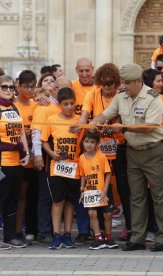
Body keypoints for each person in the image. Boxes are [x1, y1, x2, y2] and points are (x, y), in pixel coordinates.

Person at [91, 63, 163, 252]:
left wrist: (123, 128)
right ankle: (138, 238)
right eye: (122, 83)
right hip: (133, 152)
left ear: (138, 81)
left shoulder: (153, 98)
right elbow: (106, 114)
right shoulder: (121, 97)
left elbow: (151, 126)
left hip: (153, 151)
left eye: (126, 83)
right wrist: (93, 123)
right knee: (136, 196)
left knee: (159, 196)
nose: (123, 87)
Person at [75, 63, 132, 241]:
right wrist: (80, 126)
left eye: (111, 83)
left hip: (119, 148)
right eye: (104, 83)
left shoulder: (122, 97)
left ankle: (129, 227)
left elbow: (124, 123)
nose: (107, 87)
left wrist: (115, 129)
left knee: (124, 189)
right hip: (98, 150)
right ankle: (97, 230)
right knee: (96, 187)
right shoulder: (92, 94)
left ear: (117, 84)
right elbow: (85, 115)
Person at [0, 75, 30, 250]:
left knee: (12, 200)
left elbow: (21, 131)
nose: (9, 90)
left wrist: (27, 152)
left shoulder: (15, 108)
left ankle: (9, 237)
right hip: (0, 162)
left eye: (11, 87)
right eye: (5, 87)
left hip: (16, 162)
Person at [41, 87, 82, 249]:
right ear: (60, 105)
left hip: (74, 167)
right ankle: (56, 234)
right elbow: (44, 141)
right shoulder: (51, 120)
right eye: (66, 104)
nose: (69, 107)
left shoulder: (79, 120)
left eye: (72, 104)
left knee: (71, 203)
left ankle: (67, 234)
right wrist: (52, 154)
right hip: (56, 168)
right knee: (58, 201)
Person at [31, 77, 70, 245]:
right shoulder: (44, 107)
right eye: (62, 90)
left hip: (65, 160)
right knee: (46, 195)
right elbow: (36, 133)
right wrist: (38, 155)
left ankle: (59, 231)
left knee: (61, 197)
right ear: (53, 89)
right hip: (48, 158)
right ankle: (44, 231)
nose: (65, 93)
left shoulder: (65, 106)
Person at [79, 130, 118, 250]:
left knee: (107, 214)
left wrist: (105, 191)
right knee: (92, 213)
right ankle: (98, 238)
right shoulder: (81, 158)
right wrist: (82, 191)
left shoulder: (101, 156)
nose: (89, 144)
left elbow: (107, 174)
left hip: (103, 190)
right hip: (90, 190)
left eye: (92, 142)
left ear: (97, 144)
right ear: (83, 142)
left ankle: (108, 237)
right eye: (86, 141)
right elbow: (83, 175)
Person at [71, 57, 97, 243]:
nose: (85, 74)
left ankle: (100, 229)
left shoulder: (100, 89)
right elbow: (55, 98)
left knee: (97, 187)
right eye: (81, 71)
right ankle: (82, 230)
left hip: (97, 147)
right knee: (81, 190)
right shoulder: (72, 87)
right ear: (76, 71)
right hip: (77, 147)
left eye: (87, 70)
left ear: (93, 70)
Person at [14, 70, 39, 244]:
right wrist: (23, 134)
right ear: (18, 86)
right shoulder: (13, 105)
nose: (30, 90)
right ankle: (16, 230)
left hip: (34, 155)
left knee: (32, 195)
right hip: (17, 155)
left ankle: (31, 229)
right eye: (26, 87)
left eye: (33, 87)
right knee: (19, 195)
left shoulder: (37, 104)